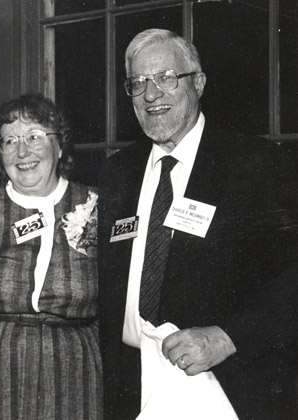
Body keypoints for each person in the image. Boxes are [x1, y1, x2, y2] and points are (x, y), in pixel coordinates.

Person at [98, 29, 298, 420]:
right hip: (131, 383)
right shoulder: (116, 172)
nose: (150, 94)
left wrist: (229, 337)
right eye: (137, 83)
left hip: (224, 385)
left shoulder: (256, 164)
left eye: (166, 78)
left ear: (199, 83)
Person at [0, 93, 103, 420]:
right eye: (9, 141)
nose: (23, 152)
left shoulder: (96, 206)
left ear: (59, 146)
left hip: (72, 365)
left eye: (35, 137)